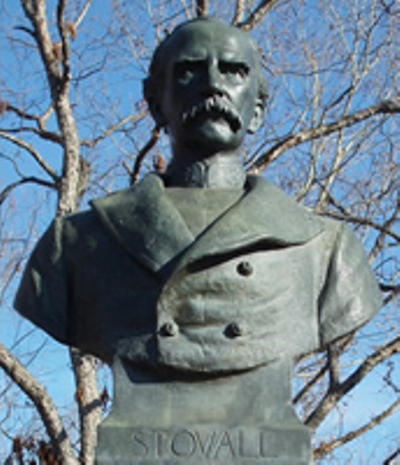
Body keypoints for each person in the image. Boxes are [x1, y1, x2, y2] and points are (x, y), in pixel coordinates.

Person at [15, 17, 381, 465]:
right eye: (190, 70)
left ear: (259, 106)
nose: (213, 85)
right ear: (154, 100)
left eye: (234, 71)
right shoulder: (75, 245)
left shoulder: (328, 249)